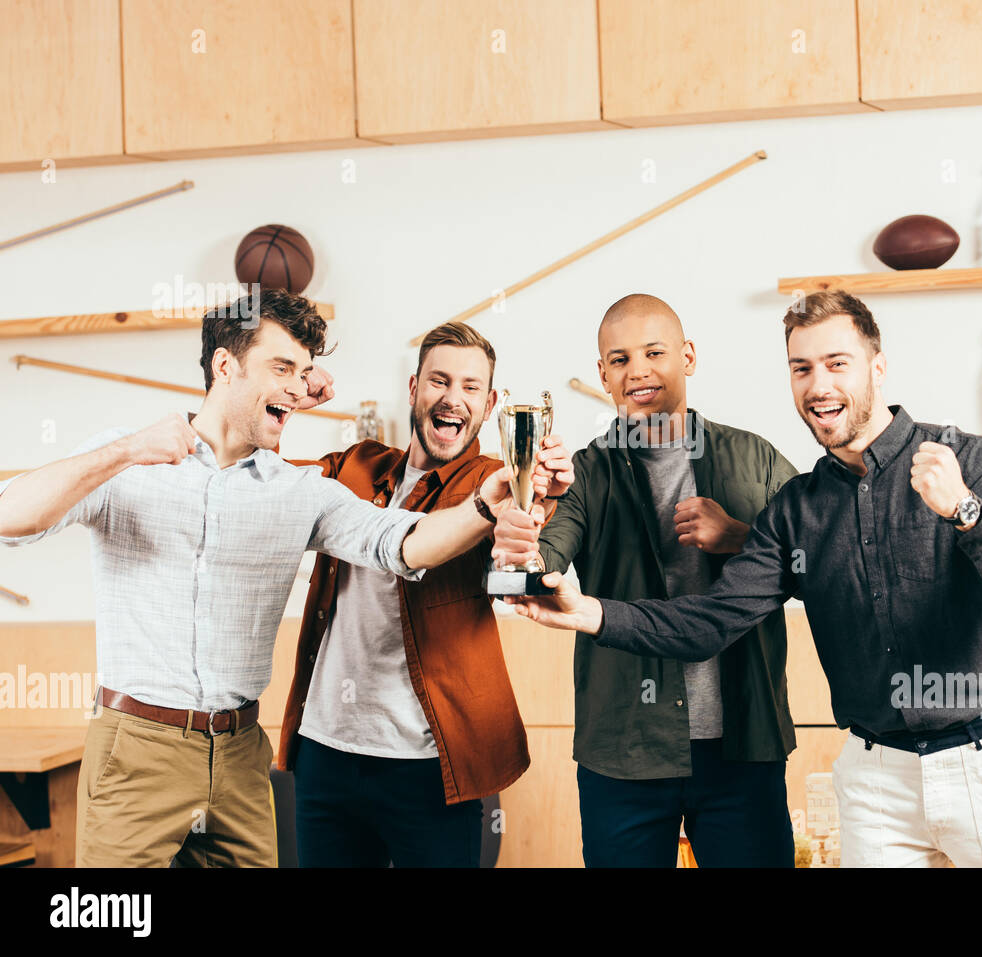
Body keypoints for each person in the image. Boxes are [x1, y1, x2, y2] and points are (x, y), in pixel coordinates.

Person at [499, 290, 982, 868]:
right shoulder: (798, 508)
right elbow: (714, 618)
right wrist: (587, 609)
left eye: (836, 363)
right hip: (875, 774)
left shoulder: (961, 459)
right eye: (802, 368)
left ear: (878, 366)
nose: (818, 384)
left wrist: (964, 511)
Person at [0, 290, 532, 867]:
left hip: (240, 757)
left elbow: (400, 544)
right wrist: (126, 450)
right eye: (282, 368)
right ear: (224, 366)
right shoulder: (127, 463)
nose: (300, 386)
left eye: (304, 373)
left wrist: (484, 504)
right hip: (135, 747)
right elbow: (10, 517)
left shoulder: (299, 491)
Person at [494, 293, 800, 867]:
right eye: (619, 359)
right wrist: (526, 537)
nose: (637, 370)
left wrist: (740, 536)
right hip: (624, 750)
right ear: (603, 375)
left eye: (654, 352)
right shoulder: (581, 473)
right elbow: (541, 566)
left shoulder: (754, 456)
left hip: (744, 745)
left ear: (687, 356)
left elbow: (821, 560)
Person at [280, 320, 572, 867]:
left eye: (469, 387)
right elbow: (270, 488)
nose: (452, 398)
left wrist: (536, 512)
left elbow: (518, 539)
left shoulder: (493, 479)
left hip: (430, 764)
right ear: (414, 390)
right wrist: (289, 395)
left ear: (488, 406)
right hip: (326, 753)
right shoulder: (356, 466)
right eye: (439, 381)